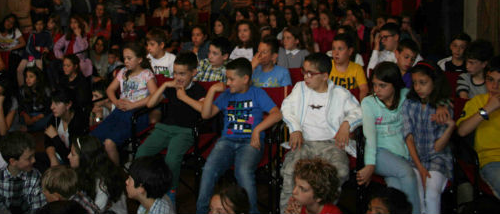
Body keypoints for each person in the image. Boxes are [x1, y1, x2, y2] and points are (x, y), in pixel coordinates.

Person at [197, 58, 283, 214]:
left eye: (231, 79)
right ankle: (202, 211)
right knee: (208, 169)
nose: (227, 83)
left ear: (245, 79)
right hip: (227, 141)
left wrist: (257, 130)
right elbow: (206, 114)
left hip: (250, 142)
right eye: (227, 78)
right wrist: (211, 91)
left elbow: (277, 114)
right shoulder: (226, 95)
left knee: (242, 171)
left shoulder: (258, 93)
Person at [279, 53, 362, 211]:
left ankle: (324, 210)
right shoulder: (300, 89)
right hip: (305, 142)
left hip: (331, 144)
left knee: (338, 171)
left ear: (324, 76)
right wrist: (295, 128)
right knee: (290, 171)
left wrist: (346, 124)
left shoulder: (340, 93)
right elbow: (286, 107)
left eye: (311, 73)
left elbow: (358, 112)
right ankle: (289, 210)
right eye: (304, 71)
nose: (305, 76)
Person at [136, 51, 206, 206]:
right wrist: (165, 85)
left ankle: (170, 192)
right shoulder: (170, 87)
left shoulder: (199, 90)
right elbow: (150, 104)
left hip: (185, 131)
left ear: (193, 73)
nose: (178, 77)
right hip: (164, 128)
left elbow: (203, 110)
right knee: (141, 152)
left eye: (182, 73)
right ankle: (145, 187)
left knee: (171, 159)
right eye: (175, 73)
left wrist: (184, 98)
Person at [357, 62, 420, 213]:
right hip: (377, 152)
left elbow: (429, 100)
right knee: (407, 172)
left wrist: (443, 105)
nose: (377, 90)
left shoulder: (406, 95)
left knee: (395, 189)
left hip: (401, 152)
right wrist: (370, 165)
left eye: (382, 85)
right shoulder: (369, 102)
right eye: (375, 85)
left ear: (395, 85)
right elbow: (370, 137)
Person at [91, 42, 157, 164]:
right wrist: (116, 101)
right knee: (93, 139)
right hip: (119, 112)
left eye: (129, 58)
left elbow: (155, 96)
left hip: (137, 115)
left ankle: (115, 176)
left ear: (139, 59)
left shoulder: (146, 74)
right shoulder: (123, 72)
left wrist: (133, 105)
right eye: (124, 58)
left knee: (109, 142)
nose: (126, 61)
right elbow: (110, 89)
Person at [403, 61, 454, 214]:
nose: (418, 87)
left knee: (431, 194)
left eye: (423, 83)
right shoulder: (409, 103)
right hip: (415, 159)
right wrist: (420, 167)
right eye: (415, 83)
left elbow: (438, 147)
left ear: (434, 82)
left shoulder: (443, 107)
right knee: (415, 192)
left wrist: (450, 127)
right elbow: (408, 138)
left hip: (437, 159)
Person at [457, 56, 500, 199]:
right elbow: (462, 131)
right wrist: (487, 109)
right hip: (492, 161)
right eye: (491, 80)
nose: (495, 86)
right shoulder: (477, 101)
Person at [0, 131, 46, 213]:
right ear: (13, 161)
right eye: (29, 158)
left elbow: (37, 209)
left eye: (33, 155)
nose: (34, 160)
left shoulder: (35, 177)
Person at [68, 135, 128, 213]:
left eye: (73, 154)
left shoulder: (102, 184)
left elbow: (94, 211)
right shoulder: (83, 172)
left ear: (85, 158)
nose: (68, 156)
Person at [44, 89, 87, 168]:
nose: (51, 107)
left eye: (56, 103)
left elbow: (71, 157)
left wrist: (55, 137)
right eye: (52, 103)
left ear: (68, 105)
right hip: (58, 156)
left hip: (73, 161)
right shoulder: (54, 119)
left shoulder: (78, 123)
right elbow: (48, 142)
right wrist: (53, 158)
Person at [329, 33, 368, 100]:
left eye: (340, 49)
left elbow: (364, 89)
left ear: (350, 51)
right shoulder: (327, 65)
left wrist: (361, 105)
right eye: (333, 49)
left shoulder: (357, 68)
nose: (336, 53)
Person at [16, 16, 53, 86]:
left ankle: (39, 87)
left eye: (41, 24)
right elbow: (29, 47)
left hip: (40, 55)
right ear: (34, 25)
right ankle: (22, 88)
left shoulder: (47, 34)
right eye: (37, 24)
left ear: (44, 25)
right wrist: (35, 54)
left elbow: (50, 45)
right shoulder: (32, 34)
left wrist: (44, 49)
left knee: (39, 69)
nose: (39, 26)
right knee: (19, 69)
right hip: (29, 55)